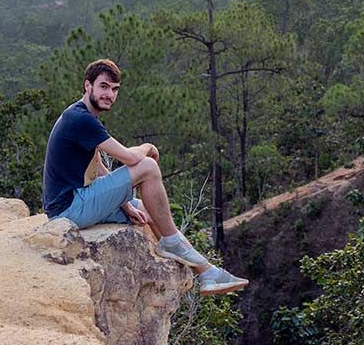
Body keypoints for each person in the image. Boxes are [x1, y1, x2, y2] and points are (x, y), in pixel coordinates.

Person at [42, 58, 248, 296]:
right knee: (148, 166)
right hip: (68, 209)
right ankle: (171, 242)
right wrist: (148, 146)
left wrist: (125, 203)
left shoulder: (82, 115)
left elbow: (96, 164)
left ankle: (207, 272)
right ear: (87, 86)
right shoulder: (80, 119)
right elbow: (130, 158)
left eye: (115, 89)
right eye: (104, 86)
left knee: (147, 211)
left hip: (71, 204)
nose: (110, 94)